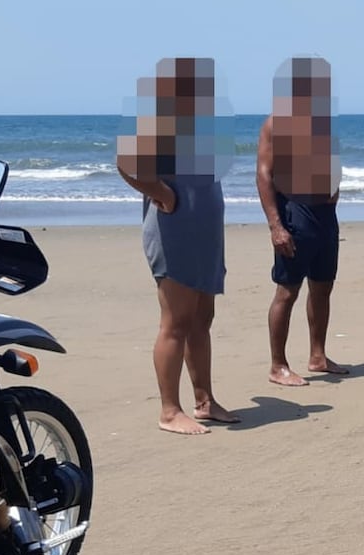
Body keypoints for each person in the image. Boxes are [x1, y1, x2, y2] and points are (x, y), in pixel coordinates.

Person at [117, 57, 239, 434]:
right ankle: (170, 411)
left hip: (204, 234)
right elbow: (126, 162)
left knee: (202, 318)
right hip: (174, 233)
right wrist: (161, 193)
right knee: (176, 321)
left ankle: (205, 400)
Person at [256, 56, 348, 386]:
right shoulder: (277, 124)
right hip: (296, 213)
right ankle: (277, 365)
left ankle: (318, 356)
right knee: (287, 291)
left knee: (323, 287)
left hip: (325, 216)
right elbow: (264, 174)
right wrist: (276, 225)